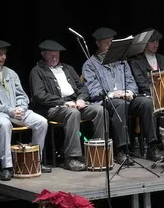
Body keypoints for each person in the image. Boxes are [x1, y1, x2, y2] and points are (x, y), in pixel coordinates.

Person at [0, 38, 50, 181]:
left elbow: (21, 95)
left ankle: (35, 160)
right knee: (4, 124)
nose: (3, 57)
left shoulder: (11, 73)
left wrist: (21, 108)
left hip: (17, 111)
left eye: (4, 53)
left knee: (42, 122)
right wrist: (10, 110)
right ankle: (6, 167)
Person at [81, 27, 159, 165]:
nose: (110, 46)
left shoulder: (121, 61)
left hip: (126, 99)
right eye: (107, 43)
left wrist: (129, 92)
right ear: (98, 44)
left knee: (147, 102)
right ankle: (122, 150)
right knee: (120, 104)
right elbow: (93, 90)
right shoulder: (90, 65)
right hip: (106, 101)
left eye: (112, 42)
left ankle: (152, 147)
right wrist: (113, 94)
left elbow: (131, 82)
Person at [29, 39, 106, 171]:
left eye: (57, 54)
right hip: (53, 107)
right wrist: (63, 102)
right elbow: (40, 96)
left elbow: (82, 88)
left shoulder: (68, 68)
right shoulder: (37, 71)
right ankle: (71, 158)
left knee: (99, 110)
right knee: (73, 113)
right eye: (51, 54)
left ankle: (98, 152)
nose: (54, 57)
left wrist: (81, 99)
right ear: (43, 54)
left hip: (74, 103)